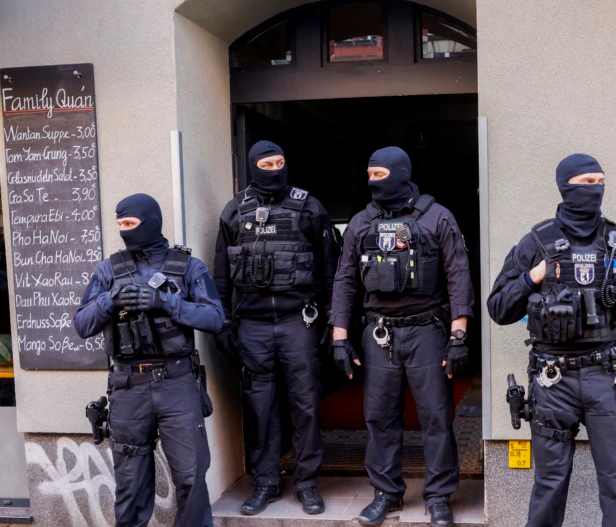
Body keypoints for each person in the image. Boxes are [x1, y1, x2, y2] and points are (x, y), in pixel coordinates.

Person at [487, 153, 616, 527]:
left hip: (607, 377)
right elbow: (498, 308)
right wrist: (532, 277)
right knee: (549, 484)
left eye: (600, 182)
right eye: (587, 182)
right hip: (553, 380)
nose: (596, 189)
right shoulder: (536, 242)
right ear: (565, 186)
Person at [330, 146, 474, 527]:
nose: (373, 182)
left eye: (380, 175)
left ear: (400, 173)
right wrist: (339, 337)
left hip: (427, 330)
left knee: (436, 416)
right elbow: (345, 280)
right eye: (370, 175)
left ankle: (439, 496)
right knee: (379, 416)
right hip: (379, 333)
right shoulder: (361, 223)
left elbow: (458, 275)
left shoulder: (437, 217)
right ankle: (386, 493)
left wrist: (458, 335)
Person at [75, 193, 224, 527]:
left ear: (151, 222)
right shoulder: (109, 270)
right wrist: (109, 301)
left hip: (177, 384)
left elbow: (215, 318)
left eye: (130, 223)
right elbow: (82, 324)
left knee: (191, 477)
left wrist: (166, 303)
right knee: (130, 485)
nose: (124, 231)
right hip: (128, 387)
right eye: (120, 225)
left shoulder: (188, 267)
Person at [213, 140, 340, 516]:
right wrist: (222, 322)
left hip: (298, 321)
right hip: (252, 325)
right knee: (260, 406)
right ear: (253, 167)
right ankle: (266, 482)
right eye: (266, 165)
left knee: (305, 404)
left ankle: (306, 483)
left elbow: (330, 269)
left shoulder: (308, 207)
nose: (274, 170)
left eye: (280, 163)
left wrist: (332, 320)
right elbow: (220, 275)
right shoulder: (235, 211)